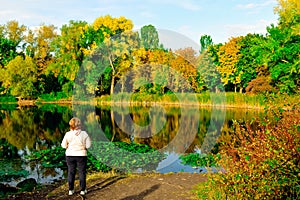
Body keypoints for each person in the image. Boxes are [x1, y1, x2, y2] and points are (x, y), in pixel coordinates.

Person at [61, 117, 91, 196]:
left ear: (71, 125)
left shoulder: (68, 134)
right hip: (81, 155)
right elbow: (88, 146)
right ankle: (82, 190)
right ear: (79, 124)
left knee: (71, 172)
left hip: (70, 155)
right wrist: (83, 146)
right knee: (82, 172)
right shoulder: (84, 134)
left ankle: (71, 190)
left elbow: (63, 146)